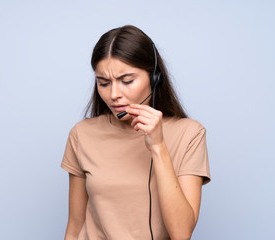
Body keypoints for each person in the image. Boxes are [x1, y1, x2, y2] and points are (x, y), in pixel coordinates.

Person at [61, 25, 211, 240]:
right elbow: (75, 228)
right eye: (103, 83)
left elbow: (181, 233)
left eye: (127, 81)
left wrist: (158, 147)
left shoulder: (190, 133)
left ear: (154, 78)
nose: (114, 94)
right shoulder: (81, 134)